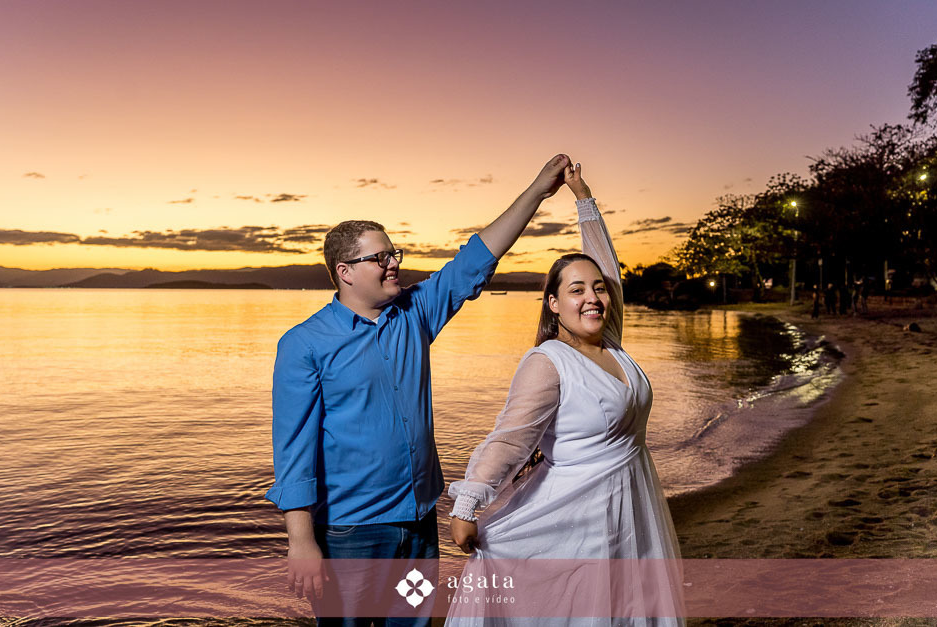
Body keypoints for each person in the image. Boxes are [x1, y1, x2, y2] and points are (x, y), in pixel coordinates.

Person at [266, 154, 574, 626]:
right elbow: (294, 453)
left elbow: (475, 260)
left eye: (394, 254)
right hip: (349, 535)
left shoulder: (414, 316)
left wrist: (537, 190)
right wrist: (301, 541)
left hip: (418, 528)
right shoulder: (304, 344)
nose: (394, 264)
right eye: (381, 257)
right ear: (345, 271)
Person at [446, 163, 684, 625]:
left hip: (634, 507)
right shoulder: (548, 361)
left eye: (597, 290)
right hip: (575, 517)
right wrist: (468, 503)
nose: (592, 297)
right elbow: (511, 437)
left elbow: (609, 271)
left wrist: (583, 197)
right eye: (576, 290)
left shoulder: (611, 343)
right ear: (553, 305)